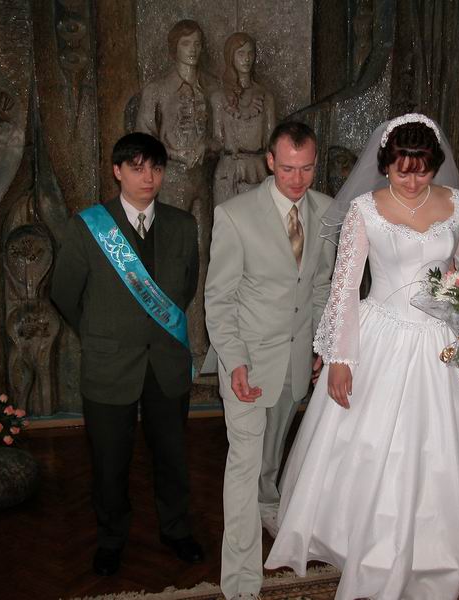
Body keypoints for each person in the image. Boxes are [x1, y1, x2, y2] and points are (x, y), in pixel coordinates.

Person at [265, 114, 459, 599]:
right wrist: (340, 358)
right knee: (371, 446)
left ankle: (431, 545)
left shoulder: (458, 205)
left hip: (442, 344)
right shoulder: (365, 209)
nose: (412, 181)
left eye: (422, 171)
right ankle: (360, 538)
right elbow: (345, 287)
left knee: (436, 449)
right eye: (402, 171)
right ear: (385, 164)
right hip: (380, 336)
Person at [51, 133, 203, 577]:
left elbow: (187, 286)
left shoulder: (182, 225)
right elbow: (64, 293)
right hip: (109, 362)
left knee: (172, 456)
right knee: (109, 461)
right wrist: (100, 332)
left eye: (155, 168)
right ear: (117, 171)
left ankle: (176, 529)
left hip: (166, 362)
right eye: (137, 168)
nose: (148, 178)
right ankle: (111, 538)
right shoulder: (89, 227)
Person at [204, 121, 335, 600]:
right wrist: (234, 361)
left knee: (271, 453)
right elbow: (219, 298)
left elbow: (320, 285)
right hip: (248, 361)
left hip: (296, 361)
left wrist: (320, 344)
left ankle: (268, 503)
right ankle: (241, 579)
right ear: (270, 162)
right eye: (288, 169)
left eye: (307, 169)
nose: (297, 180)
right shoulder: (234, 215)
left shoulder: (328, 212)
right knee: (243, 462)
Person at [136, 19, 218, 364]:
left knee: (203, 257)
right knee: (172, 259)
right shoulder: (157, 90)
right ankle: (169, 337)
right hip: (170, 182)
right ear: (174, 48)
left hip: (202, 182)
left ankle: (198, 341)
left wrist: (207, 146)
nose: (193, 49)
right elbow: (143, 136)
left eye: (197, 43)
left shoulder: (212, 89)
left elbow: (223, 135)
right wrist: (171, 152)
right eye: (186, 43)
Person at [211, 32, 276, 207]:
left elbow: (271, 141)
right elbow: (218, 139)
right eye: (240, 53)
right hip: (228, 170)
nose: (246, 59)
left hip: (256, 169)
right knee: (225, 220)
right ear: (230, 57)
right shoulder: (219, 97)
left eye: (250, 53)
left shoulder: (266, 97)